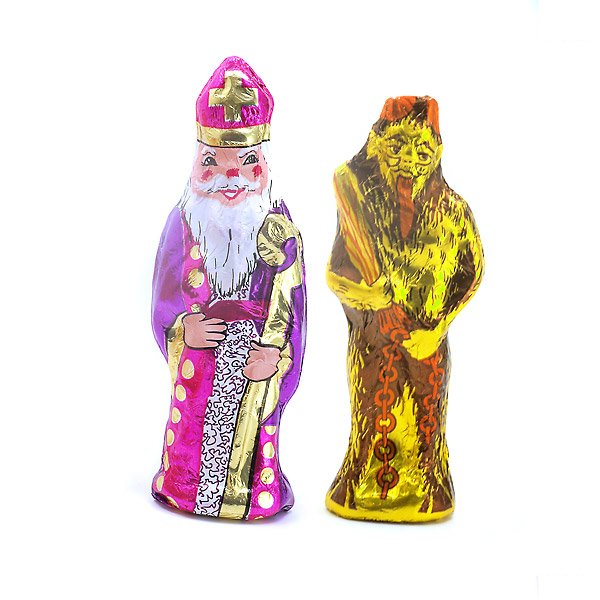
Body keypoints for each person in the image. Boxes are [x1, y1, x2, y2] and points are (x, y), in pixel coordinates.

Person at [151, 57, 306, 520]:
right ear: (198, 163)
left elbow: (294, 306)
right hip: (201, 364)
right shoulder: (182, 221)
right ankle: (184, 485)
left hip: (256, 363)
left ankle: (252, 493)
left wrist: (278, 358)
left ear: (263, 164)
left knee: (253, 436)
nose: (231, 177)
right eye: (213, 162)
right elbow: (162, 298)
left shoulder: (279, 227)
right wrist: (183, 329)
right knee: (193, 435)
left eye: (247, 162)